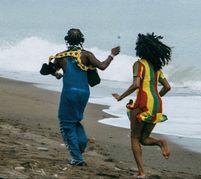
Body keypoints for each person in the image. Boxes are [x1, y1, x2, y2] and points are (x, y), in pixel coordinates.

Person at [48, 28, 120, 166]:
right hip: (84, 93)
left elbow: (51, 70)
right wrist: (112, 54)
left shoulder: (60, 56)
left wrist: (56, 74)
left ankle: (77, 158)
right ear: (82, 40)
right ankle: (81, 144)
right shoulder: (87, 55)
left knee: (66, 124)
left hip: (69, 93)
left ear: (67, 40)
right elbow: (103, 66)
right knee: (76, 120)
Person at [112, 33, 171, 178]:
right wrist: (155, 99)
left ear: (141, 49)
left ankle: (141, 172)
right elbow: (167, 87)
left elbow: (136, 84)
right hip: (157, 104)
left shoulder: (139, 64)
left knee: (134, 137)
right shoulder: (157, 68)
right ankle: (160, 142)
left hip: (142, 104)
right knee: (144, 139)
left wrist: (121, 97)